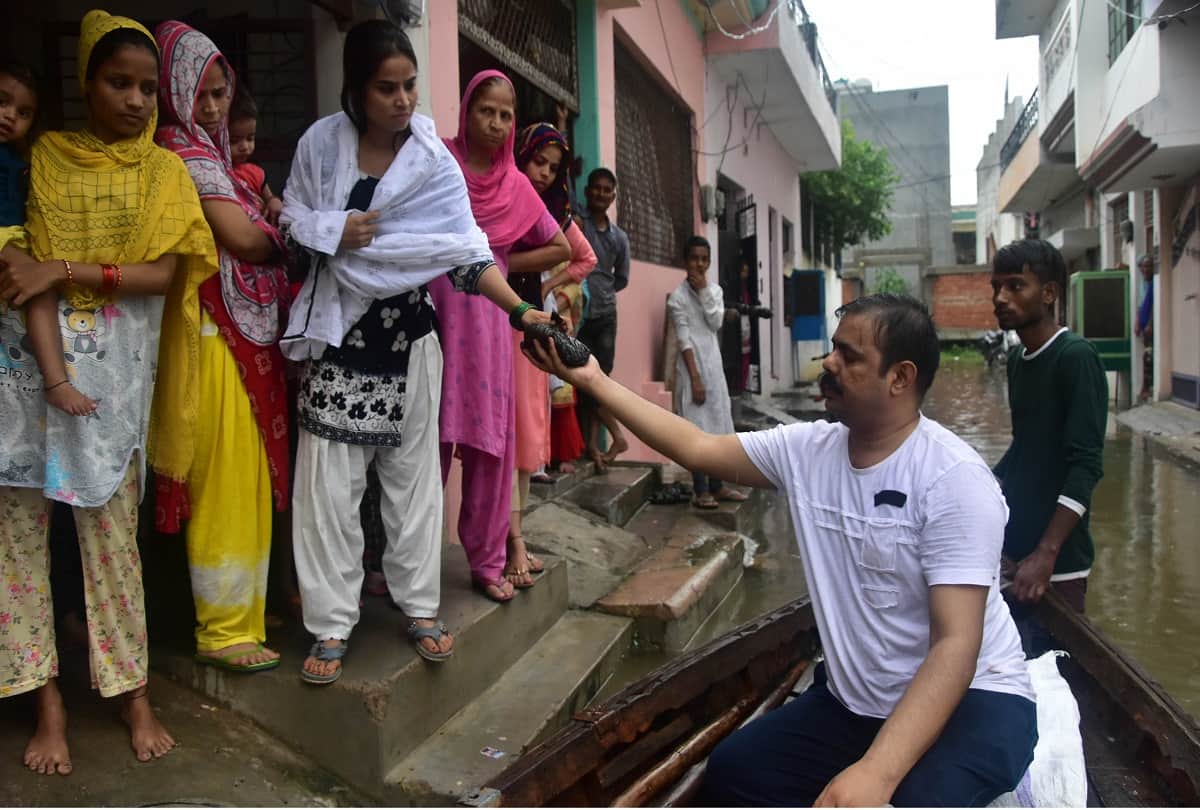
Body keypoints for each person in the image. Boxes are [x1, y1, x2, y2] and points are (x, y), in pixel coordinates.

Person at [523, 294, 1037, 807]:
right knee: (735, 772)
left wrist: (875, 775)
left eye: (849, 356)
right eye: (834, 349)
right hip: (861, 702)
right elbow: (697, 447)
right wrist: (591, 378)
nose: (829, 363)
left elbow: (956, 644)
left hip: (976, 699)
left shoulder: (953, 481)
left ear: (900, 378)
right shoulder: (809, 451)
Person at [280, 24, 549, 682]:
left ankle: (421, 608)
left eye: (409, 86)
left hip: (410, 342)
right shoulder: (320, 147)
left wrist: (520, 310)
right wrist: (330, 231)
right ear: (356, 89)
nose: (402, 101)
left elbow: (465, 256)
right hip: (340, 341)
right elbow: (289, 227)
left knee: (413, 486)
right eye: (385, 88)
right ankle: (331, 624)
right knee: (329, 493)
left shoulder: (433, 164)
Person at [0, 9, 218, 771]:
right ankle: (46, 702)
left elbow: (166, 273)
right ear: (86, 82)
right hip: (26, 376)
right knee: (19, 547)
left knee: (111, 546)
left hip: (115, 389)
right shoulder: (48, 157)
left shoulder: (165, 172)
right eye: (117, 82)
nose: (134, 99)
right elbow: (18, 257)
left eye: (147, 87)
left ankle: (133, 692)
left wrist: (62, 271)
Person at [154, 20, 293, 673]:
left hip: (242, 340)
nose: (211, 108)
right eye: (201, 94)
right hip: (208, 340)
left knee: (249, 480)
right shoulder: (181, 152)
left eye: (220, 95)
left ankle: (247, 615)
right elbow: (240, 239)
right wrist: (300, 237)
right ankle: (221, 628)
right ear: (171, 91)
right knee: (224, 483)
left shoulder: (218, 159)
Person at [429, 70, 569, 603]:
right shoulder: (441, 164)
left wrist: (501, 258)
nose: (494, 121)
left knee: (490, 446)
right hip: (435, 320)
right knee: (428, 448)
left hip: (490, 322)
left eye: (505, 114)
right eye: (485, 110)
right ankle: (408, 564)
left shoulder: (515, 186)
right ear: (466, 112)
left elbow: (559, 246)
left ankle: (487, 562)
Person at [991, 239, 1107, 615]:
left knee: (1059, 667)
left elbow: (1086, 464)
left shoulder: (1075, 357)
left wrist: (1046, 553)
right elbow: (1025, 446)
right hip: (1014, 553)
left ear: (1049, 293)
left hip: (1056, 566)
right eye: (996, 287)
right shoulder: (1017, 360)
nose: (1000, 297)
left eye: (1015, 286)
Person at [507, 121, 595, 587]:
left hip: (529, 325)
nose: (542, 173)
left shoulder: (554, 212)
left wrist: (547, 284)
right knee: (501, 438)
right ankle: (506, 542)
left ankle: (515, 539)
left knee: (523, 438)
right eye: (536, 161)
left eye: (551, 167)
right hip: (492, 321)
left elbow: (585, 258)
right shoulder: (499, 196)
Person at [667, 236, 748, 510]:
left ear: (709, 261)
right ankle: (700, 490)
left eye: (704, 259)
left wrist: (703, 292)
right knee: (696, 427)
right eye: (694, 258)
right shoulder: (677, 299)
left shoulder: (714, 291)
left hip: (714, 365)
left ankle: (718, 485)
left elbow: (714, 322)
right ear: (685, 261)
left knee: (717, 422)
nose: (699, 264)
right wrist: (695, 377)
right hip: (692, 367)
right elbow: (683, 338)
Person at [575, 167, 631, 471]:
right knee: (584, 383)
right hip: (580, 315)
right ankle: (598, 446)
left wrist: (602, 291)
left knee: (598, 384)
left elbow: (621, 278)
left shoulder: (619, 238)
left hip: (606, 316)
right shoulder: (579, 225)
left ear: (613, 195)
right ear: (587, 191)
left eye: (607, 189)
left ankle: (602, 444)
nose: (601, 193)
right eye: (596, 188)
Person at [227, 87, 283, 226]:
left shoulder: (255, 173)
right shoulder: (214, 171)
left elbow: (270, 198)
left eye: (250, 138)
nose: (245, 146)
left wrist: (274, 202)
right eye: (234, 140)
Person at [1135, 252, 1154, 403]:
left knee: (1148, 357)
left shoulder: (1154, 283)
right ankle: (1144, 387)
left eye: (1148, 266)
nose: (1145, 269)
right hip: (1143, 327)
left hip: (1150, 328)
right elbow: (1140, 305)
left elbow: (1154, 305)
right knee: (1146, 356)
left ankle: (1147, 387)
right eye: (1143, 267)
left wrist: (1149, 323)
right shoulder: (1142, 284)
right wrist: (1137, 322)